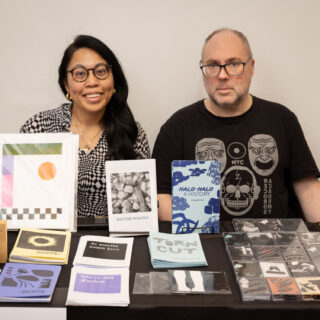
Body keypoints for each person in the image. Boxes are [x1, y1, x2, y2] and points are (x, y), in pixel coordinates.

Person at [152, 28, 320, 222]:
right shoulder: (177, 127)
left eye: (233, 64)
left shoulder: (282, 119)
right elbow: (160, 196)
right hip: (204, 246)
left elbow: (308, 188)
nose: (222, 75)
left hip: (274, 246)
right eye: (213, 65)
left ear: (252, 66)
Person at [20, 35, 150, 217]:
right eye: (80, 73)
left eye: (101, 71)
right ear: (66, 84)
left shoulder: (132, 133)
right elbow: (20, 196)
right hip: (49, 240)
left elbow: (139, 212)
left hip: (113, 242)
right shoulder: (39, 127)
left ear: (114, 80)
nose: (92, 82)